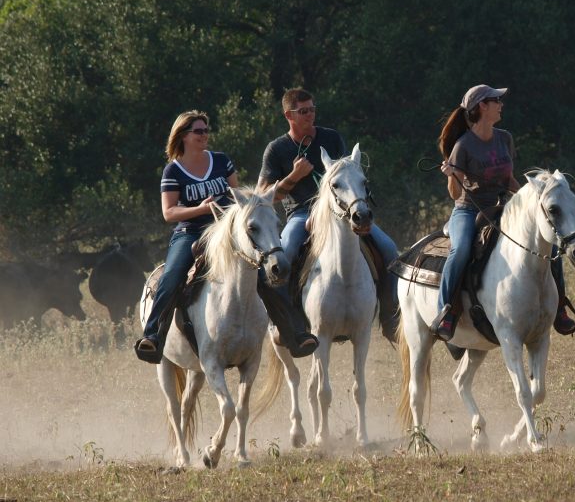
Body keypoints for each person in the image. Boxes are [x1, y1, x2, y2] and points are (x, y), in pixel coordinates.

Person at [433, 84, 575, 341]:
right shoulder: (463, 145)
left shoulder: (504, 138)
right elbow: (456, 194)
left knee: (552, 247)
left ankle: (559, 309)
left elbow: (508, 178)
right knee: (462, 249)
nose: (501, 105)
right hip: (468, 210)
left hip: (503, 207)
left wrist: (530, 197)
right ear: (482, 106)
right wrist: (452, 175)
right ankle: (445, 310)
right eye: (496, 101)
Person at [258, 88, 400, 342]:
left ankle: (391, 320)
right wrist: (293, 177)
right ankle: (288, 324)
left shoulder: (331, 138)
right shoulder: (277, 149)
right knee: (284, 258)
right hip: (300, 215)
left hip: (344, 212)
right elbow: (263, 195)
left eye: (312, 109)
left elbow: (346, 173)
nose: (310, 115)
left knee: (389, 249)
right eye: (303, 111)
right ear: (288, 115)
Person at [134, 111, 239, 363]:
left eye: (206, 130)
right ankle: (153, 336)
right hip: (189, 232)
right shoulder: (173, 170)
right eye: (198, 131)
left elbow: (237, 196)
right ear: (183, 136)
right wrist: (201, 209)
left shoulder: (222, 161)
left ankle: (288, 329)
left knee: (262, 265)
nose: (205, 135)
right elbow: (169, 212)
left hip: (224, 229)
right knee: (171, 277)